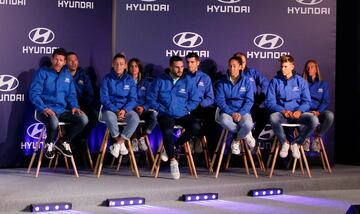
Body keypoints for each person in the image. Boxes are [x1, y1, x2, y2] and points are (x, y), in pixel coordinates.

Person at [147, 55, 201, 180]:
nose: (180, 70)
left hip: (182, 114)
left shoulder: (187, 80)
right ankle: (173, 161)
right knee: (167, 130)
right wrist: (161, 109)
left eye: (182, 67)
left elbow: (195, 98)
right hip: (165, 114)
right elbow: (150, 98)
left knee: (196, 127)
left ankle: (175, 146)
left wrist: (187, 109)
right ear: (170, 67)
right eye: (177, 67)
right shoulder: (160, 80)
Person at [29, 48, 89, 159]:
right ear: (52, 59)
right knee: (54, 121)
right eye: (56, 59)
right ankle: (49, 144)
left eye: (61, 60)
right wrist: (43, 108)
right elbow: (34, 94)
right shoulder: (42, 73)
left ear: (64, 62)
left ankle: (63, 142)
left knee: (83, 119)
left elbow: (71, 94)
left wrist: (75, 107)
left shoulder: (67, 75)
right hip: (45, 110)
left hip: (61, 110)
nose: (58, 62)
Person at [265, 55, 318, 159]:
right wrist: (283, 111)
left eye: (285, 66)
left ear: (292, 67)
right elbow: (269, 102)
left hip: (298, 115)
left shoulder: (301, 81)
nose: (282, 69)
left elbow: (307, 101)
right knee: (273, 117)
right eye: (282, 66)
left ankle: (296, 143)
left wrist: (299, 110)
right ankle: (284, 143)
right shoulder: (275, 81)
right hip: (282, 114)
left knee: (314, 120)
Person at [100, 53, 140, 158]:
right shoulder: (106, 79)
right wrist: (116, 110)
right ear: (113, 64)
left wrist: (125, 110)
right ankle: (121, 143)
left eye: (121, 64)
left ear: (125, 65)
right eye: (116, 64)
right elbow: (104, 99)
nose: (118, 66)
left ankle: (117, 144)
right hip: (110, 109)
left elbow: (133, 99)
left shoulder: (130, 80)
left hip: (125, 110)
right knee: (109, 117)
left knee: (135, 118)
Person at [214, 56, 256, 155]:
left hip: (243, 111)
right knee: (224, 121)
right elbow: (220, 101)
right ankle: (245, 134)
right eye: (230, 66)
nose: (232, 69)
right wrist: (231, 113)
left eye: (234, 66)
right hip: (227, 111)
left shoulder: (247, 82)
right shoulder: (222, 82)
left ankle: (236, 140)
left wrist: (240, 113)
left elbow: (249, 101)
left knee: (248, 124)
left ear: (240, 67)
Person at [66, 52, 98, 160]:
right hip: (67, 104)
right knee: (74, 119)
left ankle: (82, 138)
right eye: (71, 60)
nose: (74, 62)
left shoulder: (83, 75)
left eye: (75, 60)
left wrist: (82, 105)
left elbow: (90, 94)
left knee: (94, 115)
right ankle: (73, 140)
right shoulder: (62, 74)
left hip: (82, 103)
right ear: (66, 62)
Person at [233, 52, 269, 140]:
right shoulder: (231, 75)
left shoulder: (252, 72)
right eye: (240, 62)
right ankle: (238, 139)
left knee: (265, 114)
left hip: (252, 106)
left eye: (244, 62)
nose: (242, 64)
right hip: (238, 108)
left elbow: (265, 83)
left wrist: (262, 94)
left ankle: (253, 136)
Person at [302, 59, 334, 152]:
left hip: (319, 111)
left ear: (316, 69)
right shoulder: (302, 83)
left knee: (330, 116)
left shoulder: (323, 84)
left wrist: (318, 111)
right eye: (307, 67)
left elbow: (325, 101)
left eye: (312, 67)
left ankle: (317, 138)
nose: (309, 69)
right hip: (306, 112)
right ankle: (305, 138)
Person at [185, 52, 214, 153]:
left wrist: (201, 104)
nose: (189, 65)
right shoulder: (183, 77)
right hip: (186, 107)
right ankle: (189, 137)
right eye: (188, 62)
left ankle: (198, 136)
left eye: (192, 62)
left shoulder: (205, 78)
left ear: (198, 63)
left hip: (199, 107)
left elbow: (210, 98)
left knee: (213, 115)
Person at [128, 58, 157, 152]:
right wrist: (134, 107)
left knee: (153, 117)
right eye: (131, 66)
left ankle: (142, 138)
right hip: (130, 109)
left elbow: (150, 99)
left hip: (143, 109)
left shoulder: (146, 83)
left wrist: (144, 107)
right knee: (134, 117)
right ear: (128, 68)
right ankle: (134, 140)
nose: (133, 68)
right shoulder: (125, 82)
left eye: (136, 66)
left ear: (139, 68)